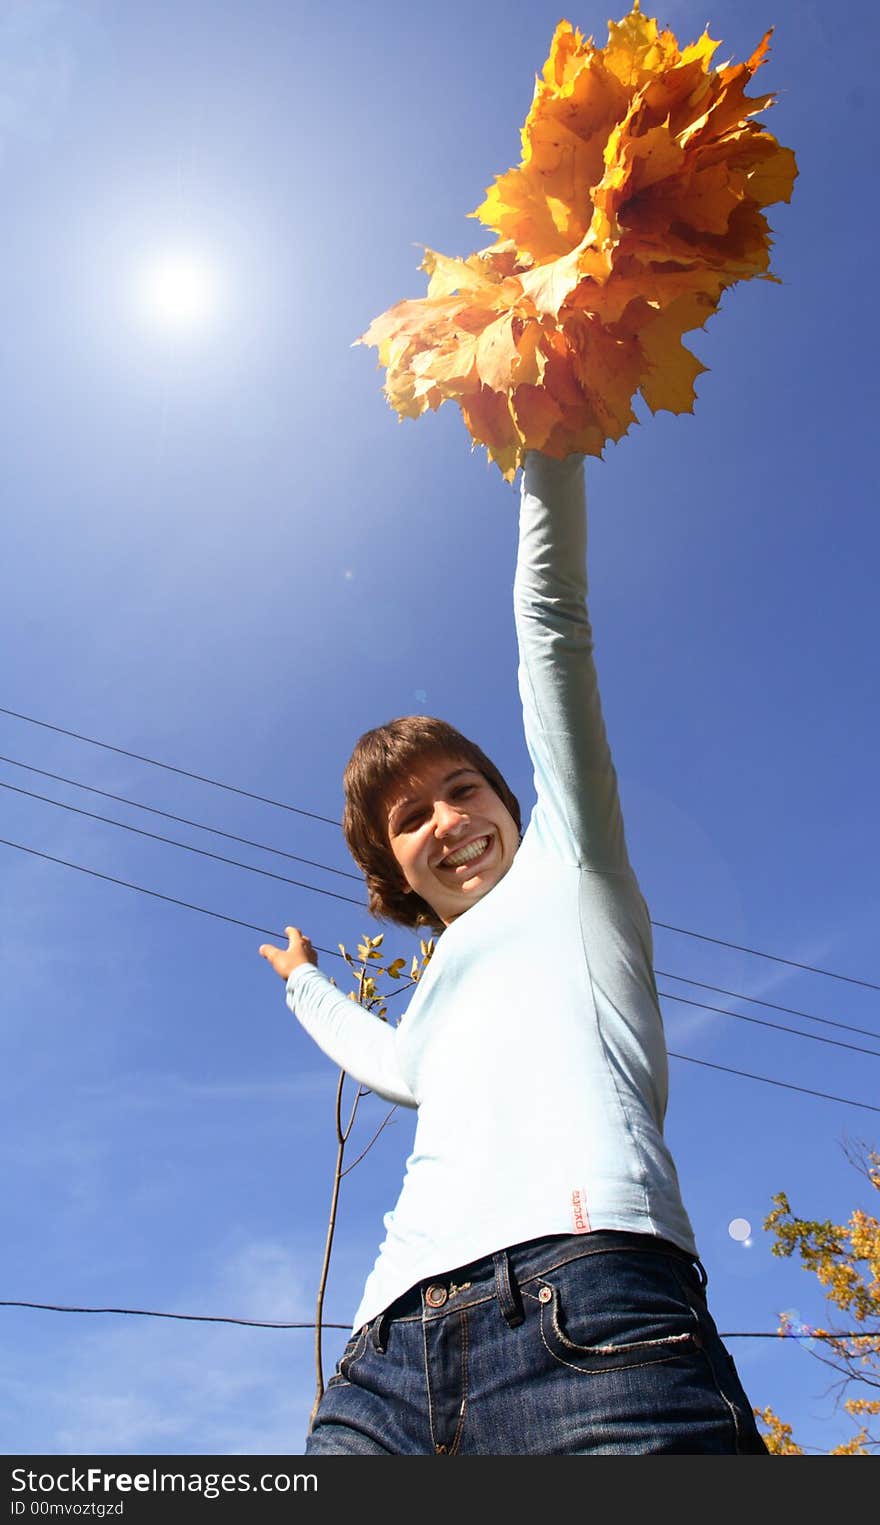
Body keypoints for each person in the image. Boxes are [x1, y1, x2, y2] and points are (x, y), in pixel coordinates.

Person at [259, 450, 768, 1455]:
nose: (447, 819)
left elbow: (554, 627)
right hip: (385, 1359)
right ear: (394, 867)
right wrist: (305, 981)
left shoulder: (573, 867)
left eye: (463, 787)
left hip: (587, 1298)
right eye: (412, 817)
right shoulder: (434, 990)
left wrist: (549, 449)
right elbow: (387, 1062)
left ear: (508, 796)